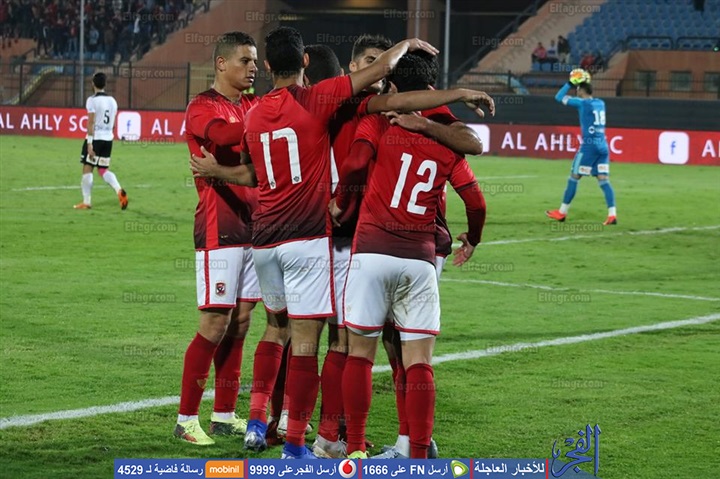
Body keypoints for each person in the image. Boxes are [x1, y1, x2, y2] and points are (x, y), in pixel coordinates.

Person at [328, 54, 488, 459]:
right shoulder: (447, 136)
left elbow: (355, 162)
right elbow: (476, 200)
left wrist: (342, 203)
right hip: (419, 259)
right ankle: (418, 453)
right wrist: (473, 238)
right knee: (418, 363)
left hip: (371, 253)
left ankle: (356, 448)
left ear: (394, 86)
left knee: (360, 355)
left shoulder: (379, 120)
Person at [173, 31, 261, 446]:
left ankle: (224, 414)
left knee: (240, 323)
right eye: (245, 60)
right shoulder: (202, 106)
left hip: (254, 226)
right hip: (218, 226)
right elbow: (224, 137)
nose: (253, 68)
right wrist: (265, 123)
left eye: (256, 61)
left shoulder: (251, 105)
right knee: (214, 323)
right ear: (221, 64)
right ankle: (186, 419)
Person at [546, 71, 617, 225]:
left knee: (574, 177)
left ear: (581, 90)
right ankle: (612, 215)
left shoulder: (582, 103)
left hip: (589, 147)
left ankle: (562, 212)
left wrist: (570, 83)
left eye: (578, 88)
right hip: (603, 146)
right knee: (604, 180)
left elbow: (558, 97)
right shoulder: (601, 103)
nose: (576, 91)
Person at [73, 72, 127, 210]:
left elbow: (90, 123)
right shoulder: (113, 101)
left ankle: (86, 202)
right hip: (108, 139)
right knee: (103, 169)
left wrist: (90, 143)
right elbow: (113, 123)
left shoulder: (92, 100)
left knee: (87, 168)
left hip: (96, 138)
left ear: (93, 84)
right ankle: (119, 190)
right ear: (105, 84)